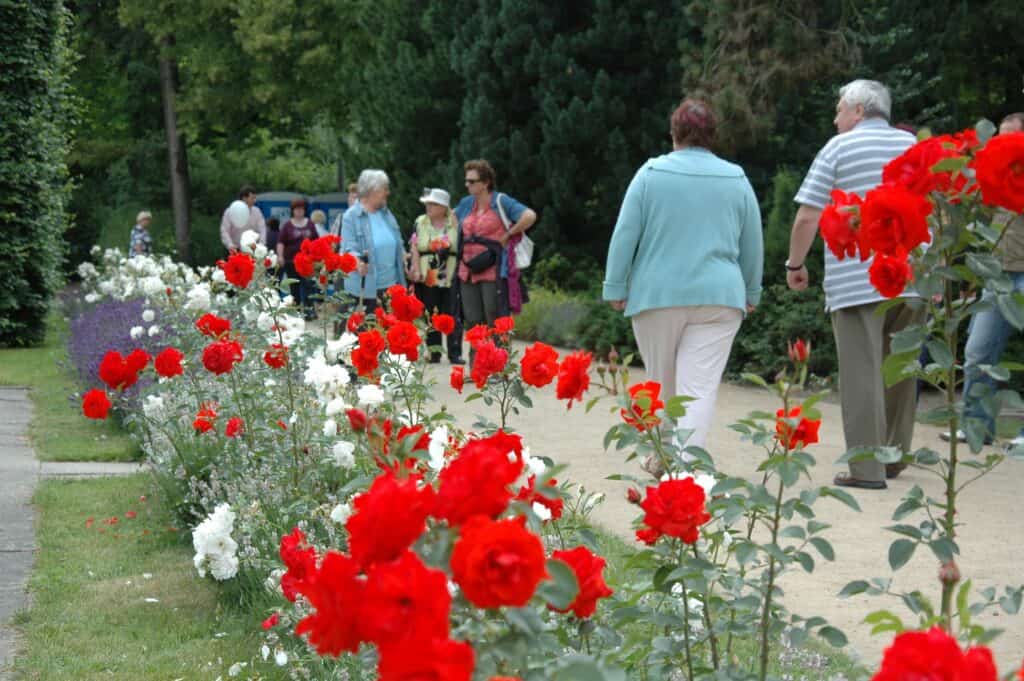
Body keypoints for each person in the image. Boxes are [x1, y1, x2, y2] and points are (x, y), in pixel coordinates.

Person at [603, 98, 763, 464]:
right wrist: (751, 290)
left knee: (661, 384)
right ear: (713, 136)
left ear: (674, 133)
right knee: (699, 388)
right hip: (720, 296)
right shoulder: (736, 178)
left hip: (657, 294)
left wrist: (615, 285)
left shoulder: (650, 174)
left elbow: (625, 233)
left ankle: (662, 457)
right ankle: (687, 465)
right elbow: (752, 241)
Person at [787, 79, 922, 490]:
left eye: (839, 109)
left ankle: (867, 469)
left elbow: (808, 216)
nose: (835, 117)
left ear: (858, 110)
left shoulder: (838, 148)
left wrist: (795, 263)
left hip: (857, 278)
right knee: (901, 370)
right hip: (913, 275)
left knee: (863, 372)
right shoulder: (912, 148)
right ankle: (894, 457)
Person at [942, 112, 1024, 448]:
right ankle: (977, 427)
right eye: (998, 138)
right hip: (998, 274)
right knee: (977, 353)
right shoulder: (994, 176)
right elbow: (983, 223)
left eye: (1009, 138)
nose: (999, 144)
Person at [453, 160, 536, 330]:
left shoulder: (501, 201)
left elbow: (529, 216)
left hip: (494, 269)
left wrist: (509, 234)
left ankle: (498, 354)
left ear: (485, 183)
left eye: (472, 181)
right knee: (473, 319)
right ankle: (476, 356)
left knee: (494, 316)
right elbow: (451, 220)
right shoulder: (466, 203)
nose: (467, 184)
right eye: (466, 180)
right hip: (467, 269)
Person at [409, 188, 465, 364]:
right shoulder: (420, 222)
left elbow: (462, 247)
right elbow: (414, 247)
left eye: (433, 204)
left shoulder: (455, 223)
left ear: (443, 207)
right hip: (428, 274)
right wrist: (415, 269)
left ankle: (454, 353)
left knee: (452, 313)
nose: (429, 207)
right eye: (428, 204)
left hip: (450, 273)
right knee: (430, 312)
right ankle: (434, 352)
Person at [340, 170, 406, 311]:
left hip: (391, 289)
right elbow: (348, 249)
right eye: (385, 189)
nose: (387, 193)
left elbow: (398, 243)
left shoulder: (387, 214)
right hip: (365, 291)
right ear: (372, 190)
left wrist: (407, 259)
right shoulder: (351, 217)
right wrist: (357, 262)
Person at [277, 198, 318, 320]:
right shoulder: (287, 226)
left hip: (307, 262)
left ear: (304, 210)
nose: (299, 211)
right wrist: (280, 256)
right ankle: (295, 312)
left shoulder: (310, 224)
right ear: (293, 211)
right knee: (294, 287)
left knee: (309, 286)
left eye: (301, 209)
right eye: (297, 209)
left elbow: (316, 241)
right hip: (291, 262)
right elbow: (280, 242)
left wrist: (317, 257)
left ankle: (309, 311)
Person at [220, 185, 267, 252]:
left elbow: (262, 229)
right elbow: (224, 230)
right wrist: (230, 245)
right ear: (244, 198)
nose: (255, 201)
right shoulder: (230, 211)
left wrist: (262, 244)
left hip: (252, 249)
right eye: (252, 198)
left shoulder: (257, 212)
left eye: (255, 198)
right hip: (234, 249)